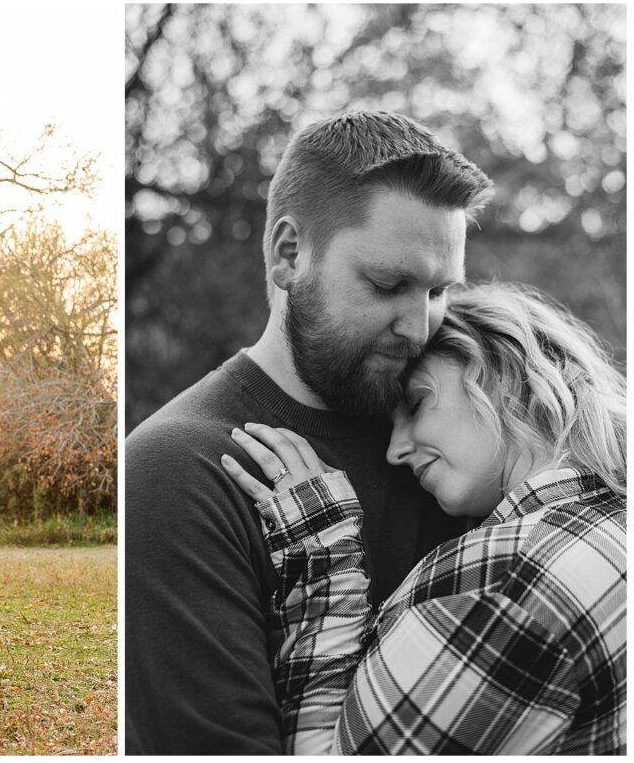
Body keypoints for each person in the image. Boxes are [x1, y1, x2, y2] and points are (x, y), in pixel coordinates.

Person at [125, 110, 494, 753]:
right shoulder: (178, 474)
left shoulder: (463, 440)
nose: (419, 326)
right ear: (289, 253)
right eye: (388, 284)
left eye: (439, 291)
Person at [223, 282, 626, 754]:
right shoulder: (609, 522)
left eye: (414, 404)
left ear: (502, 372)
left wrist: (323, 562)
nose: (395, 451)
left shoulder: (509, 584)